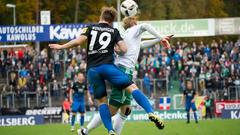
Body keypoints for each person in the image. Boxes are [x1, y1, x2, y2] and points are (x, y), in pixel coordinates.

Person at [49, 7, 170, 135]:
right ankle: (150, 112)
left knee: (110, 105)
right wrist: (117, 48)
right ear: (112, 20)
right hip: (112, 68)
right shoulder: (114, 31)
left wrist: (62, 46)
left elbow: (78, 41)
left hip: (92, 70)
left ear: (101, 16)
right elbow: (124, 49)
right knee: (127, 96)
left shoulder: (90, 27)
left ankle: (110, 130)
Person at [81, 16, 172, 135]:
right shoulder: (135, 29)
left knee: (126, 110)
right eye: (136, 20)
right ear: (133, 22)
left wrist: (159, 40)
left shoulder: (127, 35)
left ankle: (97, 132)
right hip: (123, 72)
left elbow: (142, 45)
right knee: (112, 111)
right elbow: (146, 26)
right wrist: (161, 37)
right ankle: (86, 131)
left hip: (123, 71)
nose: (137, 21)